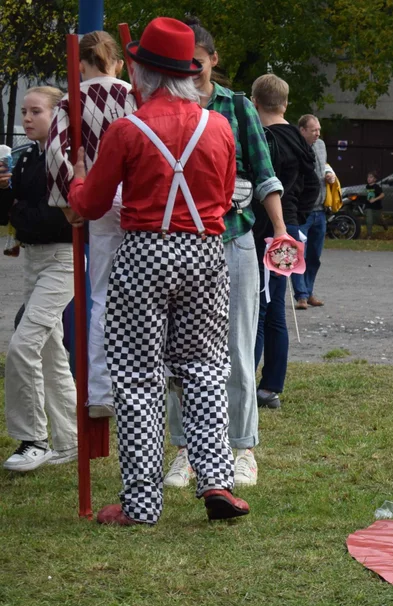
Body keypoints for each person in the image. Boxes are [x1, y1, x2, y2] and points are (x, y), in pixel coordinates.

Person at [68, 16, 249, 525]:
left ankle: (142, 503)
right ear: (190, 74)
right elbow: (226, 191)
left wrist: (78, 181)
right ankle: (216, 478)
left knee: (137, 376)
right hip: (205, 255)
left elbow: (92, 201)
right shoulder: (219, 127)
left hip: (144, 252)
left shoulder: (127, 129)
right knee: (205, 370)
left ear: (142, 72)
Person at [162, 17, 290, 489]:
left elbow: (264, 174)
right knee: (181, 352)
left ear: (213, 60)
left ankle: (242, 450)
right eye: (182, 64)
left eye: (197, 62)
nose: (190, 71)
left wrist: (278, 232)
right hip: (179, 242)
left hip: (234, 240)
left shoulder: (238, 107)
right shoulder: (166, 107)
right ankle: (186, 451)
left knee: (237, 348)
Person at [45, 31, 138, 420]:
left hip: (98, 195)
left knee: (100, 293)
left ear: (80, 63)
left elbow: (55, 152)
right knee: (140, 289)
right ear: (115, 60)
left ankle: (101, 391)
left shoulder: (72, 99)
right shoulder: (132, 94)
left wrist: (70, 200)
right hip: (136, 195)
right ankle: (139, 378)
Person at [0, 86, 78, 472]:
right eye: (25, 112)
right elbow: (9, 215)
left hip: (63, 259)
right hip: (33, 259)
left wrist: (17, 208)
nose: (27, 118)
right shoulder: (26, 157)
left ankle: (34, 438)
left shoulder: (64, 159)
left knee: (23, 343)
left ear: (57, 115)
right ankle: (70, 438)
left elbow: (60, 218)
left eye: (36, 112)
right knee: (49, 350)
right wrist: (5, 194)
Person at [251, 75, 320, 411]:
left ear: (254, 102)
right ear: (286, 103)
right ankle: (271, 384)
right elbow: (313, 184)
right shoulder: (300, 139)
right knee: (275, 305)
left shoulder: (263, 139)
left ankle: (249, 380)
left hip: (268, 229)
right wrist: (298, 217)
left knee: (261, 306)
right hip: (290, 227)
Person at [293, 114, 334, 309]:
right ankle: (300, 295)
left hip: (320, 210)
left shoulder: (321, 145)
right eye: (313, 130)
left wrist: (329, 174)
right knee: (298, 254)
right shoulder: (295, 145)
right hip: (302, 212)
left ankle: (309, 292)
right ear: (302, 130)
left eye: (319, 130)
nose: (317, 133)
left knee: (314, 256)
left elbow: (324, 164)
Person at [362, 171, 387, 238]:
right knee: (369, 220)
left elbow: (382, 195)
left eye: (371, 177)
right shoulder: (366, 187)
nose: (369, 178)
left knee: (379, 220)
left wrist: (374, 199)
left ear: (375, 179)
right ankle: (369, 234)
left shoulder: (376, 187)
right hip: (368, 207)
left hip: (377, 207)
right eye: (368, 177)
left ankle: (384, 225)